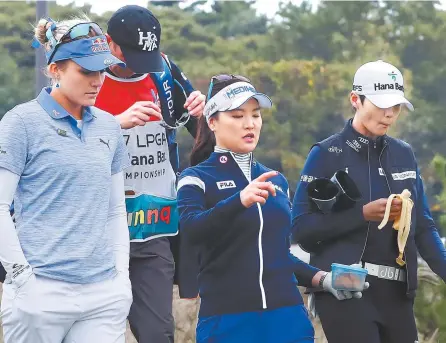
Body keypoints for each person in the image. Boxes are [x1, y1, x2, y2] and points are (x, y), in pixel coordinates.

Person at [177, 75, 367, 343]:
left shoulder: (275, 180)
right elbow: (191, 229)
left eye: (255, 115)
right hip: (227, 321)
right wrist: (238, 201)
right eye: (237, 115)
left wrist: (324, 279)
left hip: (287, 319)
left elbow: (278, 256)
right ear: (212, 122)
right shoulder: (195, 178)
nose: (249, 124)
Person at [292, 60, 446, 343]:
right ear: (356, 100)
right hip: (346, 290)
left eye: (396, 106)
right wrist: (361, 214)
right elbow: (301, 230)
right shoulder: (326, 153)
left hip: (398, 293)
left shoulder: (404, 154)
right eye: (381, 104)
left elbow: (424, 227)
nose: (389, 114)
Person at [0, 17, 132, 343]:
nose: (98, 80)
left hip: (103, 294)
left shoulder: (108, 127)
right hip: (40, 291)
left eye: (101, 70)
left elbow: (116, 210)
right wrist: (21, 278)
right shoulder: (21, 122)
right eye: (86, 71)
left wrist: (121, 278)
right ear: (55, 68)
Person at [94, 5, 205, 343]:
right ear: (110, 44)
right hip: (98, 230)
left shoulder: (163, 70)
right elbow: (64, 141)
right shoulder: (86, 76)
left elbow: (202, 133)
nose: (139, 68)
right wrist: (118, 123)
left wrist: (206, 110)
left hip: (153, 226)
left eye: (147, 56)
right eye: (132, 57)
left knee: (158, 334)